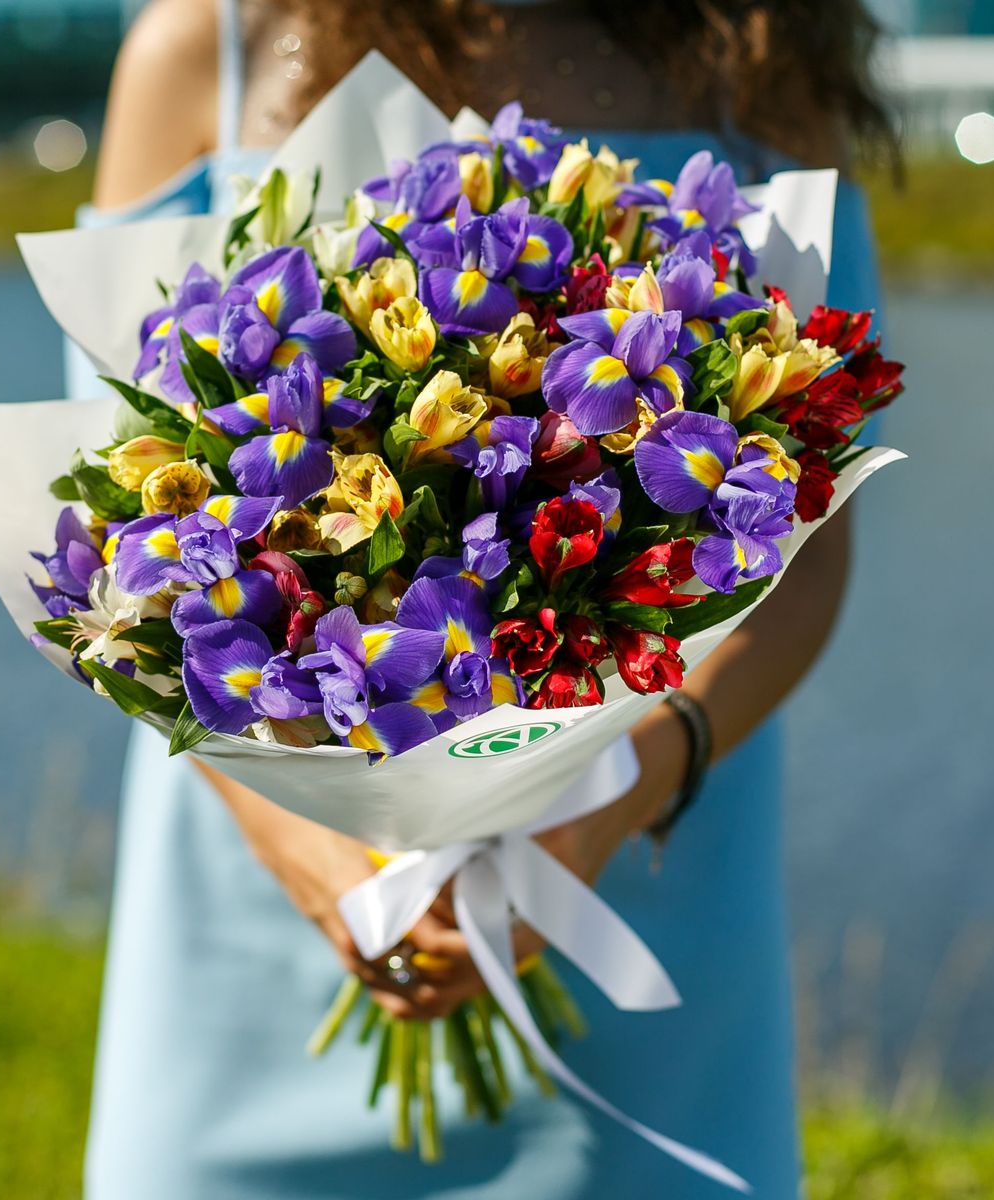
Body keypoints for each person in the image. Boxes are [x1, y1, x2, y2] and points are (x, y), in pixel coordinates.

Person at [75, 2, 897, 1196]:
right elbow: (128, 542)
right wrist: (314, 853)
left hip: (641, 897)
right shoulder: (215, 42)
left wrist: (615, 797)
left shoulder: (760, 61)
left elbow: (807, 552)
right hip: (260, 922)